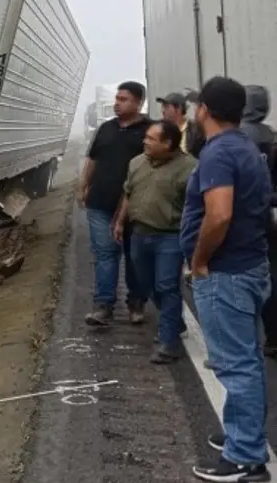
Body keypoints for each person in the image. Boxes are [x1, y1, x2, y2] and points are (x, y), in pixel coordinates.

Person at [182, 76, 272, 482]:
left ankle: (245, 458)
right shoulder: (247, 147)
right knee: (247, 360)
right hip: (250, 266)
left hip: (226, 274)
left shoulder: (218, 154)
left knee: (236, 366)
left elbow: (218, 215)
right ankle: (241, 433)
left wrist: (199, 261)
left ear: (203, 110)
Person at [113, 120, 196, 364]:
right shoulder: (137, 163)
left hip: (170, 236)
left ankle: (169, 343)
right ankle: (175, 321)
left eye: (151, 138)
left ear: (168, 143)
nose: (145, 141)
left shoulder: (190, 169)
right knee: (146, 284)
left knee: (166, 286)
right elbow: (129, 193)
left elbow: (197, 208)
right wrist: (120, 222)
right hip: (139, 234)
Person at [80, 81, 154, 326]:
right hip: (100, 202)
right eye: (117, 98)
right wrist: (83, 187)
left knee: (135, 257)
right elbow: (92, 159)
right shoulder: (106, 129)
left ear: (138, 103)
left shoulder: (150, 131)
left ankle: (136, 302)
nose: (117, 103)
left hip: (137, 206)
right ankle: (103, 305)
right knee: (105, 254)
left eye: (124, 99)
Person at [240, 84, 277, 357]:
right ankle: (273, 336)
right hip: (268, 220)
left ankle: (242, 345)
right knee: (271, 278)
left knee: (238, 283)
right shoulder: (272, 137)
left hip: (241, 222)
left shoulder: (235, 139)